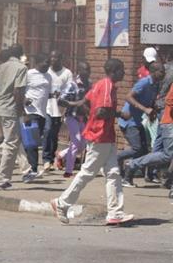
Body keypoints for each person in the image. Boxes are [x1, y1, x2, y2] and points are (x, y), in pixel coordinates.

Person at [51, 58, 134, 225]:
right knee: (88, 173)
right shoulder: (107, 86)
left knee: (113, 174)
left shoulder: (99, 84)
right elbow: (102, 111)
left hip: (106, 137)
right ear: (114, 71)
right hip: (100, 136)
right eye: (121, 70)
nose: (124, 73)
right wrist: (120, 115)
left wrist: (72, 105)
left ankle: (115, 212)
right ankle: (62, 203)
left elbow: (84, 103)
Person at [117, 61, 164, 185]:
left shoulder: (156, 84)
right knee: (137, 149)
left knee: (143, 150)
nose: (163, 74)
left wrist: (153, 109)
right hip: (129, 120)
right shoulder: (144, 82)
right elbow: (128, 97)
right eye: (161, 71)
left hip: (138, 121)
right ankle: (117, 158)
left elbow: (149, 101)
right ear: (154, 72)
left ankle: (127, 177)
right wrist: (145, 109)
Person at [0, 44, 28, 190]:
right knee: (12, 143)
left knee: (9, 141)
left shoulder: (1, 67)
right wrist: (20, 110)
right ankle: (1, 180)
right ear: (21, 54)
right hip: (11, 109)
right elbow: (19, 91)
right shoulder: (21, 68)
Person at [122, 82, 173, 188]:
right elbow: (169, 100)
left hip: (166, 123)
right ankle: (132, 164)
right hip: (169, 123)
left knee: (162, 152)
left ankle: (167, 180)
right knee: (167, 155)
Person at [56, 61, 92, 177]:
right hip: (72, 117)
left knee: (82, 145)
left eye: (88, 70)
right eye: (84, 70)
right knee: (75, 141)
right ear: (79, 70)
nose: (87, 72)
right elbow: (61, 100)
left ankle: (61, 155)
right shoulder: (72, 85)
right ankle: (68, 171)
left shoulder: (90, 84)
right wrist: (77, 103)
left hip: (84, 118)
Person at [42, 50, 73, 173]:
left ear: (61, 59)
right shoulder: (47, 72)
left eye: (56, 58)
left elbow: (69, 89)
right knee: (47, 130)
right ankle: (46, 159)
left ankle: (52, 157)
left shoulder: (66, 73)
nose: (53, 60)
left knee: (54, 135)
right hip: (47, 107)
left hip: (59, 108)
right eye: (51, 57)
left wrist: (63, 96)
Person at [22, 53, 52, 181]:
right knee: (31, 143)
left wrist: (53, 95)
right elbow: (19, 91)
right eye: (46, 62)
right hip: (30, 112)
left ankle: (29, 168)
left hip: (42, 113)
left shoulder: (48, 76)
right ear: (38, 63)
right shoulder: (29, 74)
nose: (48, 65)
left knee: (30, 143)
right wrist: (24, 102)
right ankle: (32, 170)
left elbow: (45, 94)